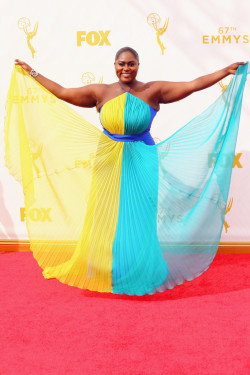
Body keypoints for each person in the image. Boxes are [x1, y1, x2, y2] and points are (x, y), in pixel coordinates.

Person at [6, 47, 248, 296]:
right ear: (114, 65)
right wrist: (32, 72)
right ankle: (105, 268)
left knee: (139, 215)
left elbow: (192, 85)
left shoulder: (153, 90)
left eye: (131, 64)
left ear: (138, 65)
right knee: (105, 213)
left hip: (142, 160)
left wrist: (224, 71)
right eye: (121, 63)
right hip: (107, 160)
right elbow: (63, 92)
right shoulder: (100, 91)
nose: (126, 68)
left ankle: (139, 268)